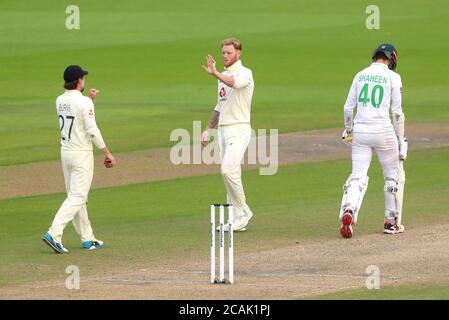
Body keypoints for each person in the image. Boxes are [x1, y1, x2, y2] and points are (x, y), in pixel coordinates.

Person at [42, 65, 116, 253]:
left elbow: (76, 114)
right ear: (79, 81)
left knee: (77, 196)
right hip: (81, 153)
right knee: (78, 196)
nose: (84, 80)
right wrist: (107, 152)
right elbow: (92, 129)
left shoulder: (60, 100)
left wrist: (89, 100)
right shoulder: (83, 103)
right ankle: (53, 233)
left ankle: (87, 238)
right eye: (83, 78)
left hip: (66, 153)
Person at [339, 44, 408, 238]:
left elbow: (347, 108)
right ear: (391, 58)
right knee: (391, 176)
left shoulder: (360, 74)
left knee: (357, 176)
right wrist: (400, 139)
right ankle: (390, 221)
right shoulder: (393, 77)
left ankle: (349, 210)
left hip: (360, 131)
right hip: (383, 131)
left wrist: (349, 130)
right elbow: (396, 113)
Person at [201, 38, 254, 231]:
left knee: (228, 170)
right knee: (232, 173)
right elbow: (219, 106)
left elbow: (235, 84)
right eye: (223, 52)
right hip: (223, 130)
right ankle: (234, 215)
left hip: (239, 129)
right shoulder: (221, 76)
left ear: (238, 54)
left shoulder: (246, 73)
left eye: (229, 53)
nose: (225, 56)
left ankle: (243, 211)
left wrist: (215, 73)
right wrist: (208, 129)